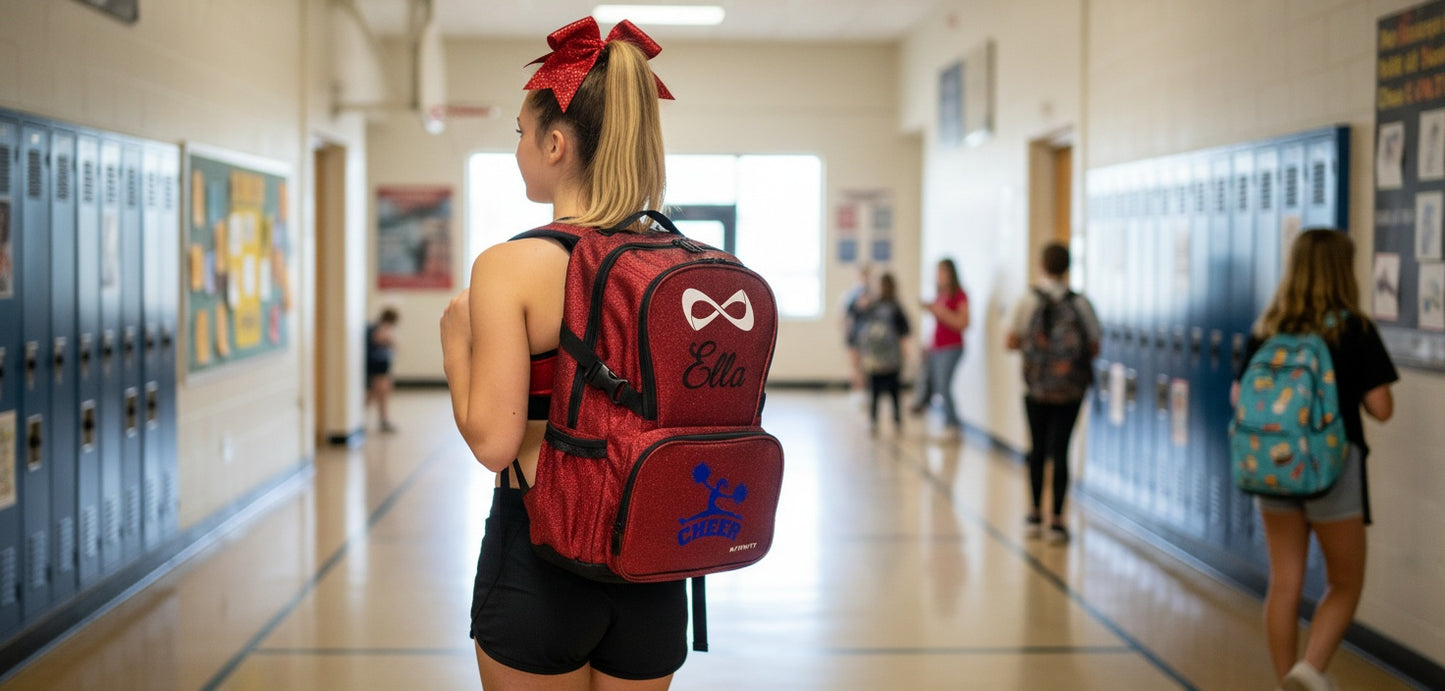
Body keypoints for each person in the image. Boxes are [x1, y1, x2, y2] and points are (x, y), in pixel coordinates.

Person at [439, 17, 687, 690]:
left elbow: (493, 442)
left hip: (540, 551)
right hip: (652, 557)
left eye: (519, 133)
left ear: (553, 143)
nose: (517, 147)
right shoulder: (676, 264)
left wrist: (454, 344)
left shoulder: (511, 266)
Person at [1230, 229, 1397, 691]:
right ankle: (1310, 670)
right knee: (1344, 583)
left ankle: (1286, 680)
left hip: (1272, 471)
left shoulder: (1267, 329)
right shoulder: (1354, 329)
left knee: (1284, 582)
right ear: (1343, 270)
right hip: (1331, 471)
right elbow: (1380, 408)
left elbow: (1238, 396)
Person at [1005, 243, 1100, 543]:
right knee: (1061, 451)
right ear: (1067, 267)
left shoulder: (1027, 300)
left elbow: (1010, 341)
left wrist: (1039, 353)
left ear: (1041, 265)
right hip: (1070, 390)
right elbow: (1095, 346)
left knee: (1037, 449)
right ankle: (1057, 520)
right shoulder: (1081, 303)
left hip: (1036, 388)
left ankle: (1034, 513)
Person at [912, 258, 969, 435]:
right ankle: (927, 408)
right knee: (936, 384)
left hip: (952, 347)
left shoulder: (959, 295)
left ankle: (952, 424)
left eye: (942, 272)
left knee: (944, 385)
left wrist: (940, 312)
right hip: (936, 347)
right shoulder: (940, 295)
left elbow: (963, 322)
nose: (939, 276)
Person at [857, 272, 910, 435]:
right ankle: (884, 420)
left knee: (884, 391)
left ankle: (887, 421)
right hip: (882, 356)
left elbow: (903, 331)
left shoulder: (888, 306)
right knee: (884, 390)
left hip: (884, 356)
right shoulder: (877, 306)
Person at [840, 264, 873, 398]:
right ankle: (856, 391)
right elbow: (845, 315)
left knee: (866, 366)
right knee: (854, 365)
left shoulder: (872, 294)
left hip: (868, 335)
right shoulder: (851, 294)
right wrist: (847, 331)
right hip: (855, 335)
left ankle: (865, 392)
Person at [365, 306, 400, 433]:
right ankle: (382, 420)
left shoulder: (377, 326)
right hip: (378, 365)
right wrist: (391, 342)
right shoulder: (381, 327)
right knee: (379, 392)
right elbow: (380, 339)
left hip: (381, 365)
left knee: (377, 393)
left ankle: (382, 419)